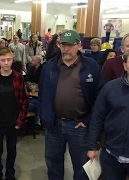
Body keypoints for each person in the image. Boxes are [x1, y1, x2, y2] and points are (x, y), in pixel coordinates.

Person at [37, 30, 104, 180]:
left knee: (81, 167)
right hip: (54, 124)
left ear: (79, 45)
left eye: (70, 45)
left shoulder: (91, 66)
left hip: (79, 126)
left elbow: (100, 98)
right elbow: (42, 91)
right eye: (63, 45)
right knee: (53, 164)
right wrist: (45, 115)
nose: (66, 49)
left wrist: (87, 121)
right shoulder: (50, 66)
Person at [87, 47, 129, 180]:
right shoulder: (110, 88)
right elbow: (98, 118)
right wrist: (92, 146)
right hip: (111, 155)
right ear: (125, 66)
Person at [0, 47, 29, 180]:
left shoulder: (19, 78)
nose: (6, 63)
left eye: (9, 60)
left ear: (12, 60)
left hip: (13, 122)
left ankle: (10, 173)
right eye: (3, 60)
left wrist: (20, 121)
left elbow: (24, 101)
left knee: (12, 150)